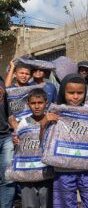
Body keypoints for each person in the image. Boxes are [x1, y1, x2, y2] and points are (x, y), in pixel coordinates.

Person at [40, 74, 88, 208]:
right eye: (71, 93)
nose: (76, 96)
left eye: (80, 93)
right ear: (63, 92)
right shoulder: (55, 113)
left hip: (87, 171)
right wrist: (43, 124)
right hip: (63, 170)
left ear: (85, 93)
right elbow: (43, 143)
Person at [11, 88, 54, 208]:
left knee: (47, 204)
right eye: (33, 103)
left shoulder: (52, 121)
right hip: (27, 174)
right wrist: (15, 140)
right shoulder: (24, 122)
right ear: (28, 104)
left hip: (46, 173)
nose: (36, 106)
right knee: (29, 204)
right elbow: (18, 143)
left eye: (40, 103)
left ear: (46, 103)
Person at [0, 75, 15, 208]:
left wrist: (17, 129)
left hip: (5, 136)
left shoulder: (1, 81)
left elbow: (8, 111)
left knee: (8, 178)